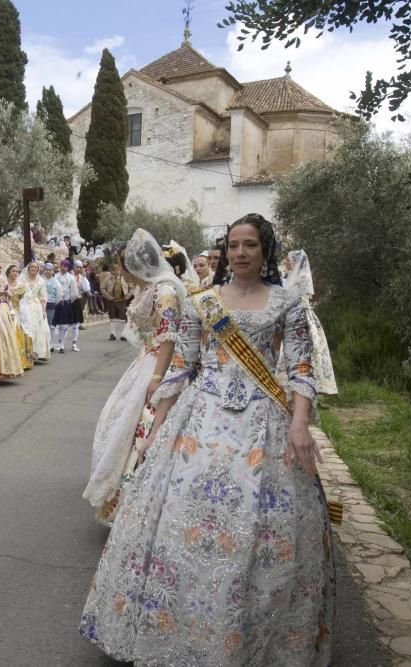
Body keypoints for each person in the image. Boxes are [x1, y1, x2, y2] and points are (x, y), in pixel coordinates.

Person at [80, 214, 334, 665]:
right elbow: (182, 364)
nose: (240, 253)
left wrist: (300, 425)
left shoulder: (287, 302)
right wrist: (157, 425)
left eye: (250, 245)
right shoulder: (204, 301)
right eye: (233, 245)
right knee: (181, 521)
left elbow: (300, 368)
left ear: (265, 250)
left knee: (259, 529)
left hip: (264, 425)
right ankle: (174, 630)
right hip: (200, 419)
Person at [84, 229, 183, 525]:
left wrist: (156, 376)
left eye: (126, 266)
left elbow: (169, 337)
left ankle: (141, 507)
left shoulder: (164, 290)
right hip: (147, 360)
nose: (124, 272)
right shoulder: (150, 287)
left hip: (158, 365)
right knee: (118, 425)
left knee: (143, 428)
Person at [284, 249, 338, 395]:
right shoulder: (290, 276)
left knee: (304, 348)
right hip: (292, 315)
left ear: (295, 262)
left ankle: (306, 382)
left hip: (300, 316)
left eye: (288, 260)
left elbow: (296, 299)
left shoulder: (300, 277)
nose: (286, 262)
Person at [19, 261, 50, 361]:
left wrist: (44, 310)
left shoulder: (41, 281)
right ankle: (26, 353)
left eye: (35, 267)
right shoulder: (22, 279)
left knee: (38, 329)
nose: (33, 268)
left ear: (38, 269)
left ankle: (38, 352)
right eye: (31, 267)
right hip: (24, 306)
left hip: (36, 307)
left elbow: (43, 296)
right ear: (28, 268)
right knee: (27, 328)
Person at [5, 264, 34, 370]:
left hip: (17, 312)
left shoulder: (21, 286)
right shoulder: (3, 284)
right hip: (4, 311)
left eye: (17, 272)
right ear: (8, 272)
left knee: (17, 334)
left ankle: (20, 362)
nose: (15, 274)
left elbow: (24, 303)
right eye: (13, 271)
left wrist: (23, 316)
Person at [51, 259, 77, 353]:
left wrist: (68, 300)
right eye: (62, 265)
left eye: (65, 266)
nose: (63, 267)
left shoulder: (71, 278)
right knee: (52, 325)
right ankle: (51, 344)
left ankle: (62, 344)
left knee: (63, 325)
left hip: (65, 302)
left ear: (68, 267)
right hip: (54, 302)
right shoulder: (55, 276)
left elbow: (74, 293)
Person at [101, 263, 130, 342]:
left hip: (122, 301)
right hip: (112, 301)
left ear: (119, 270)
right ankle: (112, 334)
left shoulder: (124, 278)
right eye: (114, 270)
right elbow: (102, 288)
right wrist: (108, 296)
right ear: (111, 271)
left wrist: (128, 296)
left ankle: (123, 335)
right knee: (112, 317)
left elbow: (132, 287)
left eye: (117, 270)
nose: (116, 272)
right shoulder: (108, 279)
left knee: (123, 318)